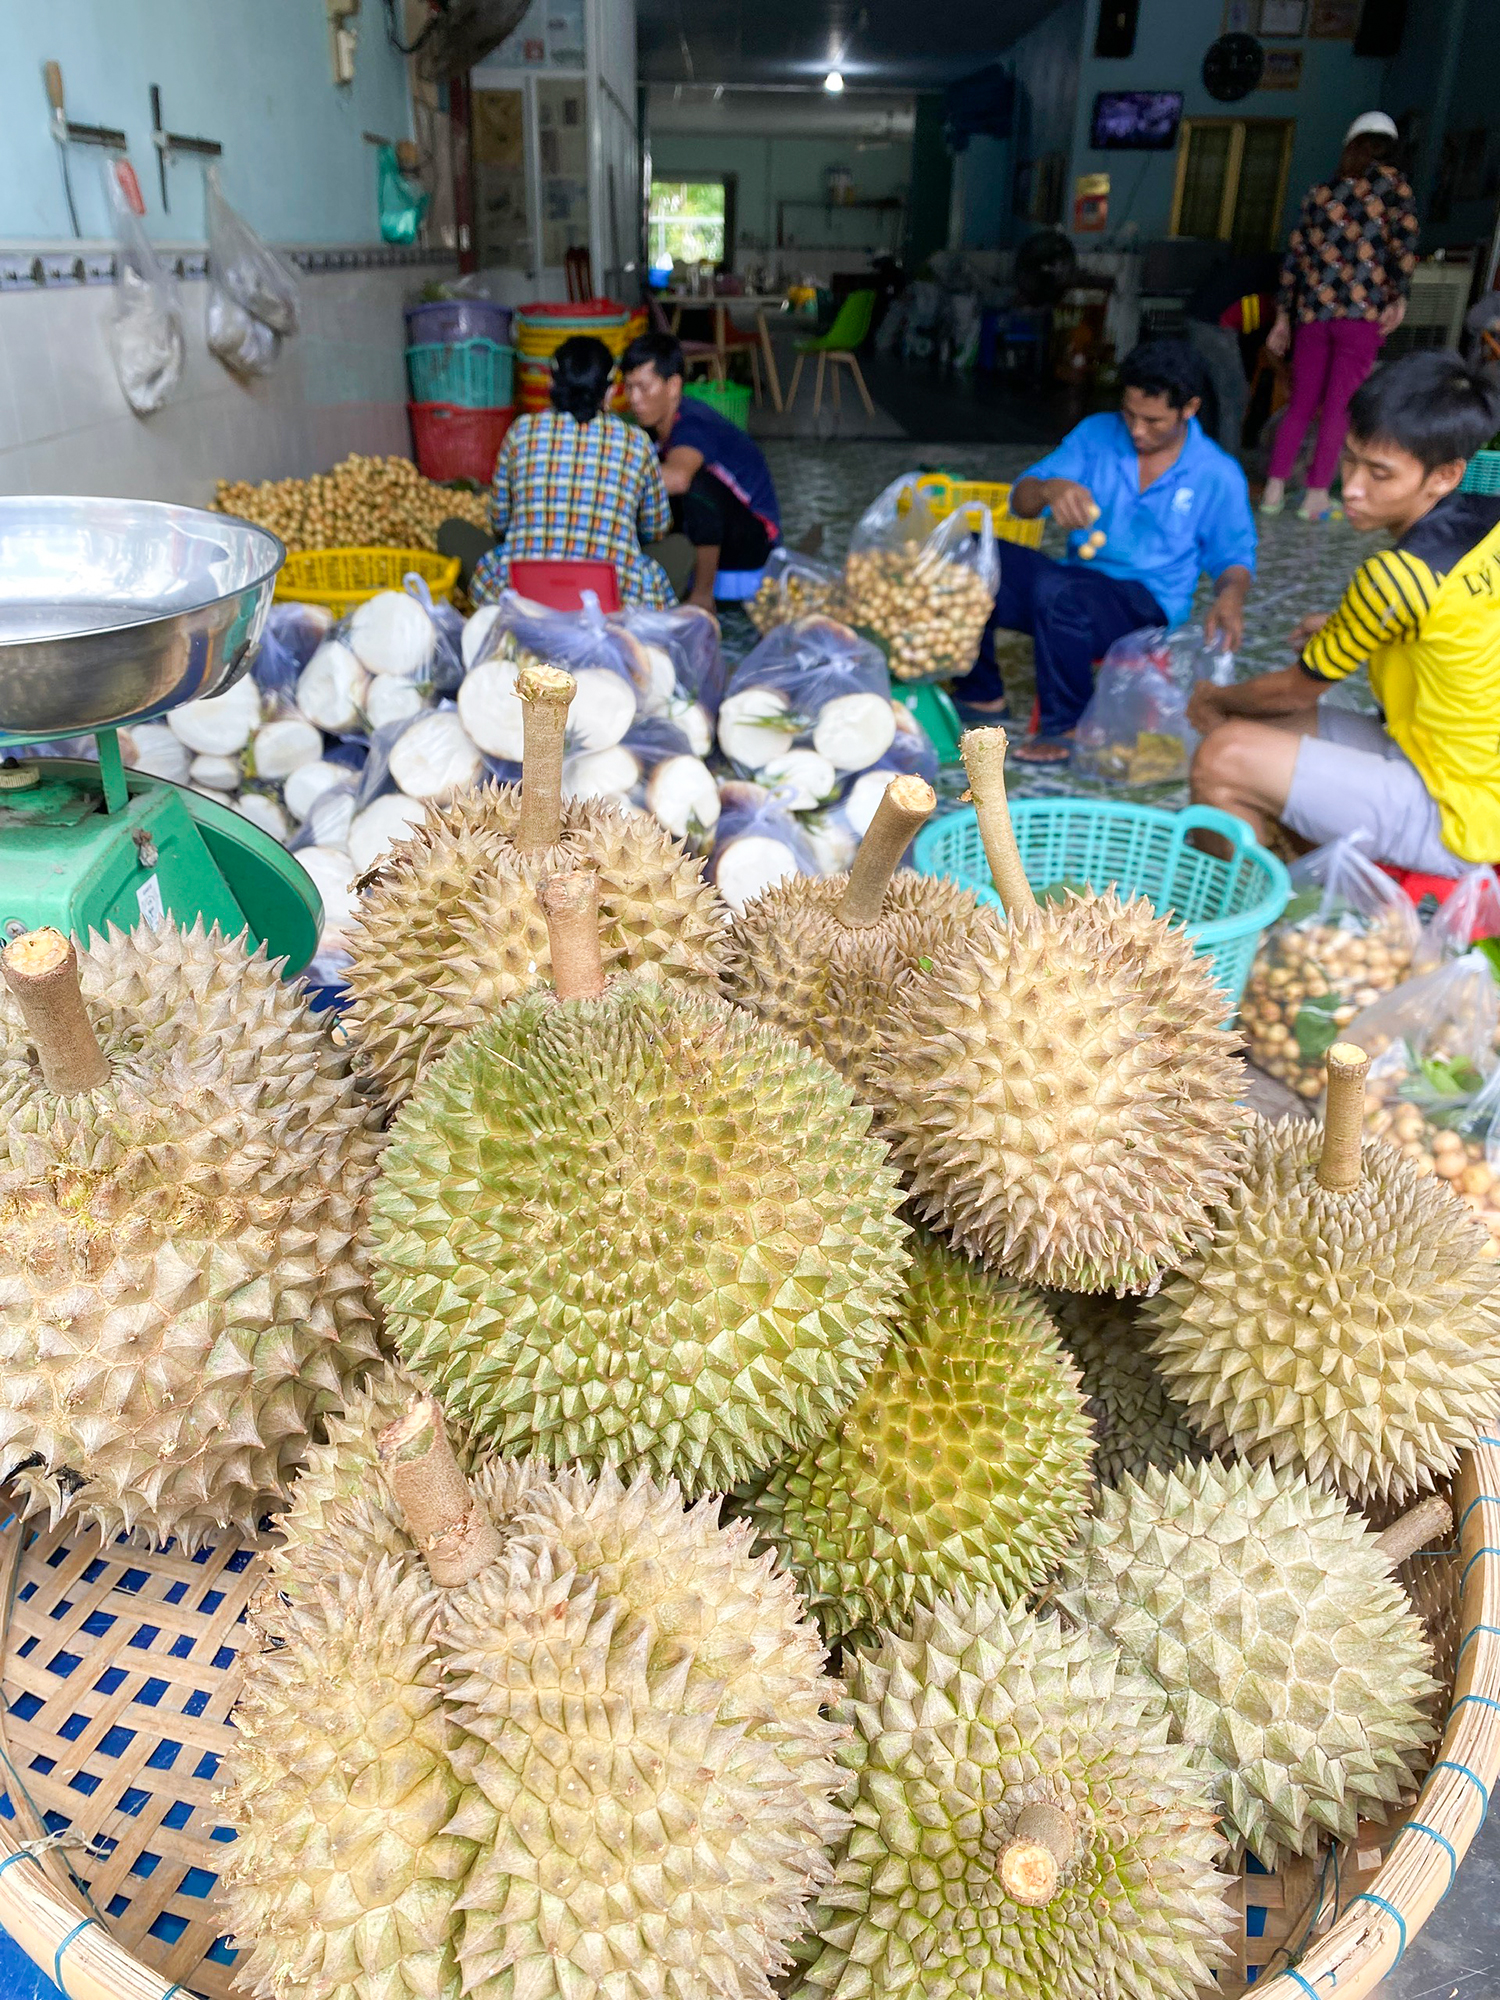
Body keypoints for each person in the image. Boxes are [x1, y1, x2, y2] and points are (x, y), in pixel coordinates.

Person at [1190, 351, 1500, 876]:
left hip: (1461, 814)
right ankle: (1309, 878)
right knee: (1266, 726)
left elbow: (1295, 687)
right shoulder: (1488, 520)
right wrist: (1339, 627)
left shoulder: (1395, 580)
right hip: (1452, 758)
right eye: (1351, 458)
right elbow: (1452, 622)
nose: (1351, 487)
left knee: (1223, 753)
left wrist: (1212, 699)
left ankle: (1254, 924)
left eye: (1379, 473)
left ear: (1446, 475)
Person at [953, 338, 1257, 763]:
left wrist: (1231, 595)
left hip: (1144, 605)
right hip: (1071, 584)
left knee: (1061, 593)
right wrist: (1048, 488)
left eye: (1153, 420)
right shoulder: (1096, 434)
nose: (1136, 430)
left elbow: (1233, 555)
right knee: (968, 552)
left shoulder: (1216, 473)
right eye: (1129, 414)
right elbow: (1020, 503)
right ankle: (981, 692)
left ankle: (1066, 726)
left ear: (1189, 408)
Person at [1261, 112, 1419, 524]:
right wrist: (1398, 298)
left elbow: (1294, 259)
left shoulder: (1320, 193)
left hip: (1313, 315)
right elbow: (1403, 249)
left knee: (1301, 403)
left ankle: (1274, 492)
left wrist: (1282, 317)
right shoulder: (1394, 188)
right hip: (1360, 315)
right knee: (1339, 407)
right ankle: (1314, 497)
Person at [471, 334, 674, 608]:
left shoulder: (521, 431)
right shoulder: (636, 442)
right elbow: (656, 529)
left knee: (454, 534)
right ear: (610, 393)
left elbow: (500, 522)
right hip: (608, 602)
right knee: (679, 550)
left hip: (525, 598)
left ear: (550, 384)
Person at [621, 332, 782, 611]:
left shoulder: (695, 423)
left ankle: (703, 595)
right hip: (719, 531)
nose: (634, 399)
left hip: (753, 542)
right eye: (628, 387)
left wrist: (606, 473)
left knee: (692, 485)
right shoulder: (651, 428)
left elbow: (678, 479)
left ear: (672, 386)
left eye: (644, 388)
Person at [1185, 250, 1281, 454]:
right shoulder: (1287, 275)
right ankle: (1228, 462)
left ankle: (1203, 456)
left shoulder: (1272, 267)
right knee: (1234, 397)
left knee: (1211, 398)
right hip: (1212, 324)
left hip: (1203, 318)